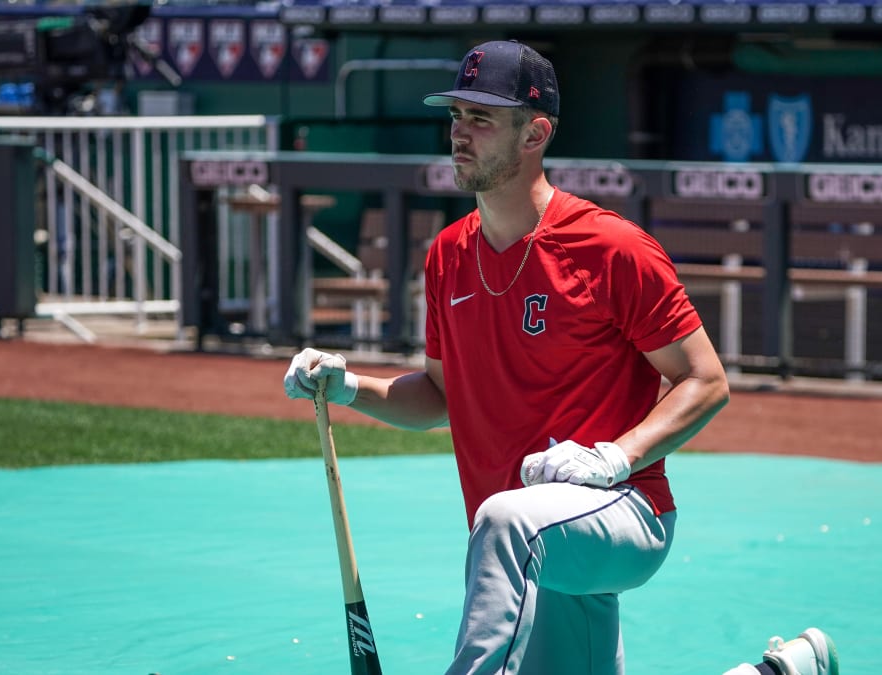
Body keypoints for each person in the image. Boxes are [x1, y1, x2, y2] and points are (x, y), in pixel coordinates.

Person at [285, 39, 839, 675]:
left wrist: (614, 457)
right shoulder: (446, 256)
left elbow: (705, 381)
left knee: (502, 520)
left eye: (481, 119)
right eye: (456, 117)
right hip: (535, 550)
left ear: (535, 133)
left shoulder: (610, 248)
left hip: (621, 513)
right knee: (507, 524)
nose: (459, 134)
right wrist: (347, 384)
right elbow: (441, 397)